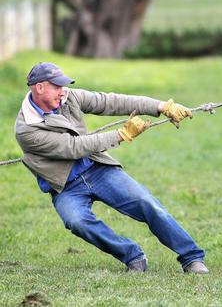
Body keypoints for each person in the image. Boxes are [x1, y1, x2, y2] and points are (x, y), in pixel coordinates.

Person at [14, 62, 208, 274]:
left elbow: (111, 102)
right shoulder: (26, 130)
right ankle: (132, 255)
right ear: (39, 87)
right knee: (76, 221)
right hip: (66, 187)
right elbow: (73, 148)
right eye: (57, 87)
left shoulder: (69, 97)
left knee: (147, 203)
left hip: (98, 170)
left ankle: (191, 258)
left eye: (63, 86)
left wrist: (161, 106)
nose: (62, 92)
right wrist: (120, 135)